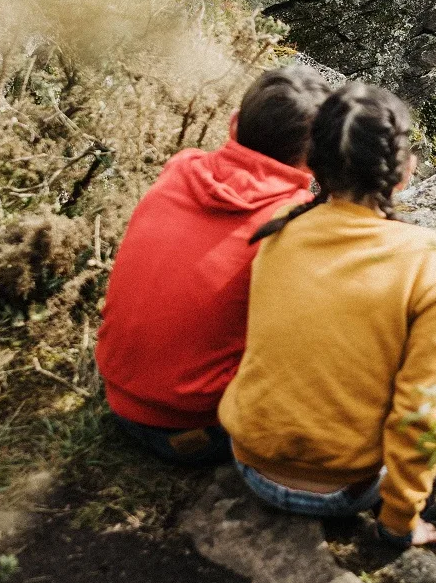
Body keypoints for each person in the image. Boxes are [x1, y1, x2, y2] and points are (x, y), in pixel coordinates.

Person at [218, 83, 436, 548]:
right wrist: (399, 524)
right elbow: (422, 409)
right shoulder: (427, 257)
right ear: (405, 172)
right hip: (346, 488)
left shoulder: (279, 229)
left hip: (251, 464)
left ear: (314, 163)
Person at [95, 65, 331, 466]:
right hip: (196, 426)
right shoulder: (292, 221)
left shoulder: (182, 166)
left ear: (233, 123)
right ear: (314, 158)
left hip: (117, 392)